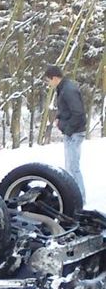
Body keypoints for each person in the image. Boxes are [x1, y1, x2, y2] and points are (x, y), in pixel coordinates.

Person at [44, 65, 87, 201]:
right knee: (69, 166)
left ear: (55, 78)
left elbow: (78, 113)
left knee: (73, 167)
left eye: (48, 80)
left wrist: (67, 129)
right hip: (70, 132)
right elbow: (66, 109)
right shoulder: (63, 88)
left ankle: (80, 198)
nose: (48, 84)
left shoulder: (68, 89)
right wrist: (58, 118)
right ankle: (74, 196)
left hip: (74, 133)